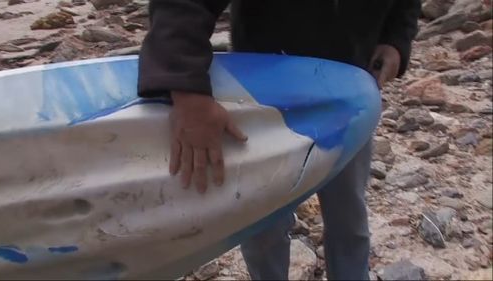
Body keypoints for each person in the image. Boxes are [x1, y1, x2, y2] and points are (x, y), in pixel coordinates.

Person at [138, 1, 421, 280]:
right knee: (264, 226)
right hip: (263, 96)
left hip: (350, 96)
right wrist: (188, 91)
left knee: (349, 219)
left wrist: (395, 38)